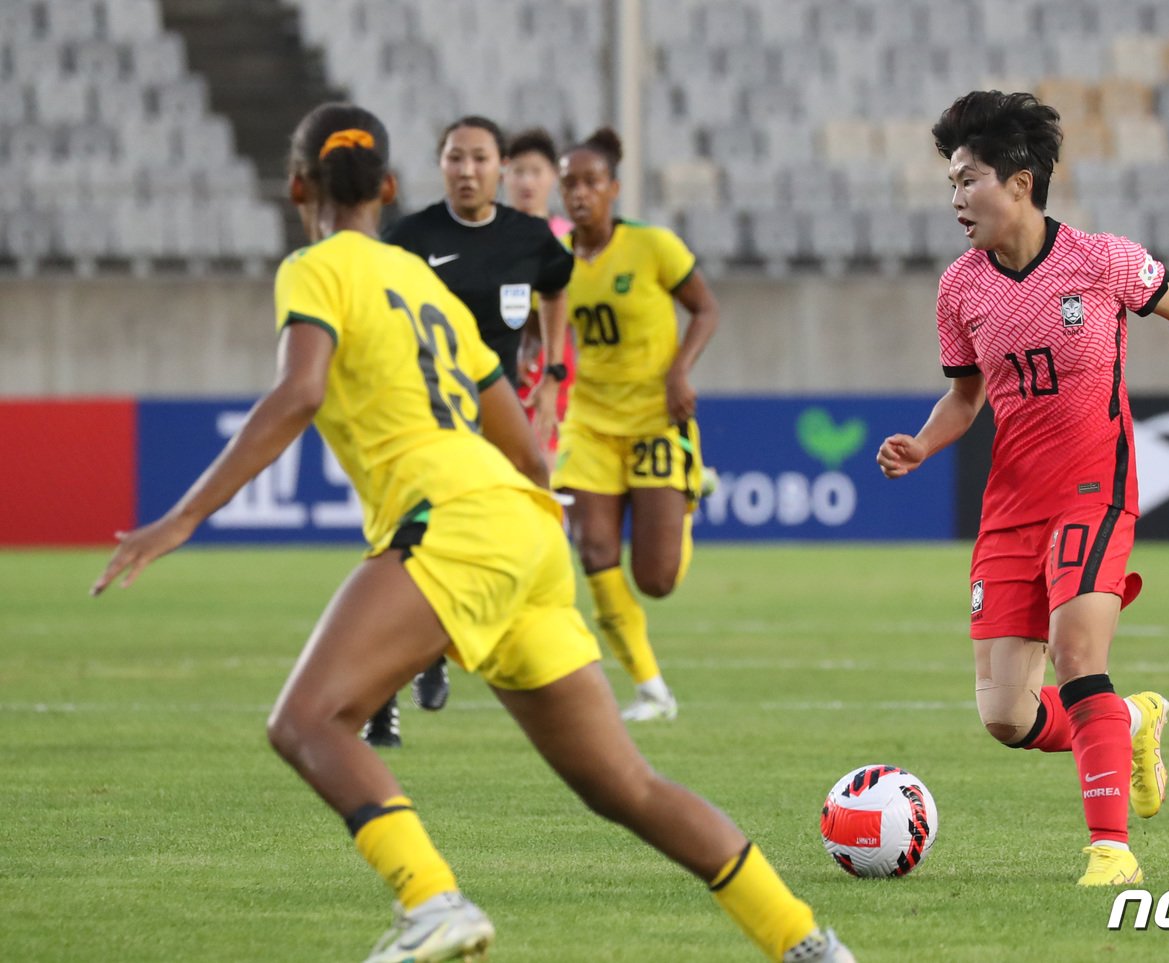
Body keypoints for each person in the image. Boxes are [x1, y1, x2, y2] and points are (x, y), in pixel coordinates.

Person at [91, 102, 854, 963]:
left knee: (306, 720)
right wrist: (492, 584)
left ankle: (433, 901)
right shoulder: (427, 285)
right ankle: (806, 942)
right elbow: (528, 451)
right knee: (627, 786)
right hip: (523, 528)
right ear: (389, 186)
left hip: (450, 519)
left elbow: (301, 391)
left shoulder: (314, 267)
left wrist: (183, 516)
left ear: (297, 187)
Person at [876, 91, 1169, 887]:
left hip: (1095, 489)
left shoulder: (1103, 260)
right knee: (1006, 716)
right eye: (949, 183)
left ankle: (1110, 852)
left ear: (1018, 182)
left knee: (1079, 653)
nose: (954, 200)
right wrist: (924, 443)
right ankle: (1129, 719)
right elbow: (966, 398)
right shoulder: (960, 288)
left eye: (966, 180)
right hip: (1011, 506)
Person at [362, 115, 575, 747]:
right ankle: (383, 698)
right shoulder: (409, 237)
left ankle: (439, 649)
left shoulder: (530, 238)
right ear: (441, 165)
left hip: (499, 419)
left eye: (480, 158)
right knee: (406, 544)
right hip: (425, 423)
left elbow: (557, 287)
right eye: (455, 158)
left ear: (501, 167)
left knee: (483, 548)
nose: (467, 170)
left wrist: (553, 365)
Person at [553, 127, 719, 723]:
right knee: (593, 548)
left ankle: (693, 488)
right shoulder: (558, 262)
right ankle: (650, 687)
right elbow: (543, 333)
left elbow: (705, 306)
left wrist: (680, 370)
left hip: (655, 420)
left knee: (656, 579)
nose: (579, 193)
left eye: (590, 182)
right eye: (569, 183)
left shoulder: (652, 246)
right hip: (590, 423)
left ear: (613, 189)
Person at [504, 126, 575, 468]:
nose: (526, 182)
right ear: (504, 175)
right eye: (518, 172)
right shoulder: (489, 241)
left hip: (559, 372)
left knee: (547, 473)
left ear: (553, 178)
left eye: (536, 172)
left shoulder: (567, 240)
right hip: (500, 371)